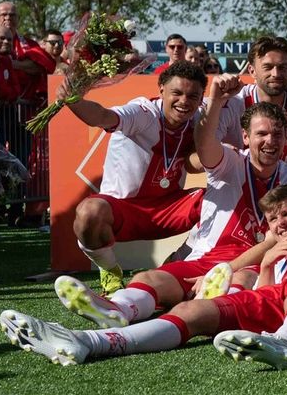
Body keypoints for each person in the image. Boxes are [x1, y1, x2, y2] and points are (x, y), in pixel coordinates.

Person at [0, 185, 287, 369]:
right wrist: (270, 263)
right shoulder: (274, 251)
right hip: (283, 296)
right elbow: (268, 298)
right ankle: (91, 342)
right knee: (193, 308)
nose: (281, 223)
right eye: (273, 220)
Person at [53, 75, 287, 330]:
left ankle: (199, 300)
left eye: (277, 134)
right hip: (150, 218)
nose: (270, 141)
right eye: (261, 133)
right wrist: (217, 100)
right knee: (147, 276)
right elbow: (206, 146)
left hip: (246, 264)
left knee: (228, 278)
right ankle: (117, 307)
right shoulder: (227, 159)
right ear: (245, 137)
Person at [63, 61, 240, 292]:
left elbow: (256, 96)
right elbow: (103, 116)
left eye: (192, 96)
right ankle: (110, 272)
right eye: (176, 93)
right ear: (161, 90)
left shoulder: (200, 117)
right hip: (124, 210)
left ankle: (180, 261)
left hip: (168, 209)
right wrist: (71, 99)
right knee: (89, 212)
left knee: (225, 200)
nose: (184, 101)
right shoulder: (143, 112)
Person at [216, 36, 287, 166]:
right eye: (268, 67)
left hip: (280, 185)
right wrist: (223, 155)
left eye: (282, 67)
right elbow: (198, 156)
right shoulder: (233, 102)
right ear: (252, 71)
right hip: (235, 184)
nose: (276, 74)